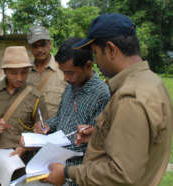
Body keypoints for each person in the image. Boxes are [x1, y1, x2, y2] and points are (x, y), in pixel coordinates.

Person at [47, 13, 173, 186]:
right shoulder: (152, 83)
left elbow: (121, 174)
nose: (95, 61)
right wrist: (99, 135)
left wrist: (68, 173)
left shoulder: (131, 98)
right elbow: (135, 147)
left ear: (111, 49)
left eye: (95, 53)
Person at [33, 37, 110, 186]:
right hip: (53, 164)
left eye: (71, 73)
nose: (66, 78)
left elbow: (98, 140)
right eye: (63, 73)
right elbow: (61, 118)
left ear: (88, 66)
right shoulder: (70, 87)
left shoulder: (102, 94)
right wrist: (46, 125)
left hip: (76, 174)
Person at [0, 46, 48, 186]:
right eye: (14, 73)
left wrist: (28, 144)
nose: (20, 78)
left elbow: (42, 133)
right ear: (5, 71)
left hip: (21, 163)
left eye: (24, 72)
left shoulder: (36, 97)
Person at [27, 26, 66, 118]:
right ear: (30, 48)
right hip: (29, 130)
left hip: (56, 130)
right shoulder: (24, 73)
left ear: (50, 44)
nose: (40, 50)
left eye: (43, 45)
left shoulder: (64, 70)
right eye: (35, 46)